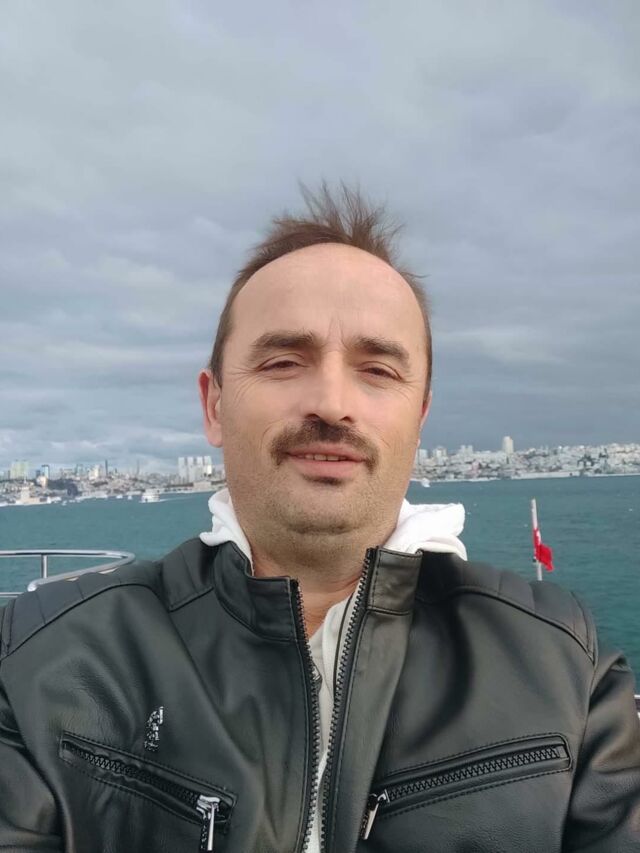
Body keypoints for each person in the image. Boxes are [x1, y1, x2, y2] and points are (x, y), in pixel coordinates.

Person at [1, 185, 639, 853]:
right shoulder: (44, 662)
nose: (332, 402)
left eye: (378, 369)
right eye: (283, 362)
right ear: (214, 405)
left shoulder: (566, 667)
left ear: (420, 415)